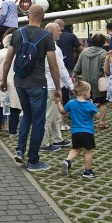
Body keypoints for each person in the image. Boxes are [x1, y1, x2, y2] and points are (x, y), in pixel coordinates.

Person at [1, 5, 61, 172]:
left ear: (28, 15)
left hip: (20, 82)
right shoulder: (47, 36)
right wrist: (57, 87)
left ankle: (20, 150)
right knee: (38, 121)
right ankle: (33, 161)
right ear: (42, 17)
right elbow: (53, 64)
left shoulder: (17, 33)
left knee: (26, 115)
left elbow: (8, 59)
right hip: (37, 84)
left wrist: (4, 79)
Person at [40, 23, 74, 152]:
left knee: (55, 114)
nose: (61, 32)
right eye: (59, 31)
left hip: (48, 84)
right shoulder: (54, 48)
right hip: (52, 85)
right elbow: (60, 69)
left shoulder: (43, 45)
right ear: (51, 32)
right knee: (49, 115)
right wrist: (70, 86)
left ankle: (57, 138)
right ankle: (44, 142)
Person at [57, 81, 101, 178]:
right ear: (85, 92)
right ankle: (87, 171)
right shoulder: (89, 105)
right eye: (90, 92)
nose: (90, 93)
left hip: (75, 132)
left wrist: (58, 102)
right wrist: (95, 107)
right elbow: (98, 116)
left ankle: (67, 161)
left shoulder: (71, 103)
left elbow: (62, 111)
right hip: (87, 132)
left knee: (76, 149)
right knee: (88, 151)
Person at [73, 33, 109, 130]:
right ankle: (101, 122)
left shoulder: (84, 52)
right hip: (98, 82)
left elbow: (78, 65)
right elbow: (104, 69)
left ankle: (83, 121)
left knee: (85, 101)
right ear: (103, 43)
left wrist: (74, 75)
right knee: (103, 102)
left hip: (85, 81)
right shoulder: (104, 53)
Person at [0, 31, 22, 137]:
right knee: (14, 107)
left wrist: (0, 76)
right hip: (14, 83)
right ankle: (12, 132)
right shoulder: (18, 53)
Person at [55, 19, 84, 130]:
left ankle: (61, 114)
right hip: (69, 66)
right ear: (64, 26)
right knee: (72, 91)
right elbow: (81, 49)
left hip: (55, 67)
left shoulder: (50, 37)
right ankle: (72, 114)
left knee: (60, 91)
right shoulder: (71, 36)